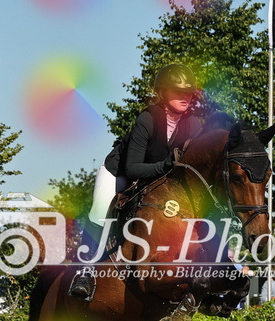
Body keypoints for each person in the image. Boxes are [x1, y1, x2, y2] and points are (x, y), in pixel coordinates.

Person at [70, 63, 203, 299]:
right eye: (178, 91)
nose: (186, 96)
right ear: (162, 93)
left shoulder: (194, 124)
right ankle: (84, 272)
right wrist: (165, 166)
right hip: (119, 174)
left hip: (160, 180)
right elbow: (132, 169)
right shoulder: (147, 119)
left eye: (189, 92)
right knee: (101, 211)